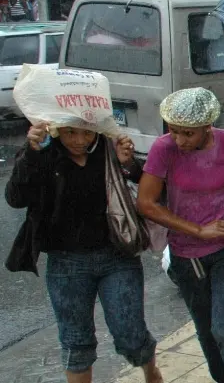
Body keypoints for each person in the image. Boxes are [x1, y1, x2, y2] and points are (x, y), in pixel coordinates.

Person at [5, 122, 161, 383]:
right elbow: (15, 198)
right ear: (57, 130)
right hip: (66, 263)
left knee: (131, 334)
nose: (79, 140)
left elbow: (147, 186)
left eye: (87, 133)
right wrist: (32, 152)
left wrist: (129, 164)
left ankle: (151, 372)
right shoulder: (43, 152)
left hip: (117, 257)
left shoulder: (109, 149)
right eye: (71, 133)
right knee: (76, 341)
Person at [137, 87, 224, 383]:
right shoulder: (164, 149)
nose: (179, 140)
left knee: (223, 328)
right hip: (186, 255)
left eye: (188, 134)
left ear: (206, 126)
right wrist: (199, 230)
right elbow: (146, 203)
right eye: (174, 132)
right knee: (204, 328)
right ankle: (222, 378)